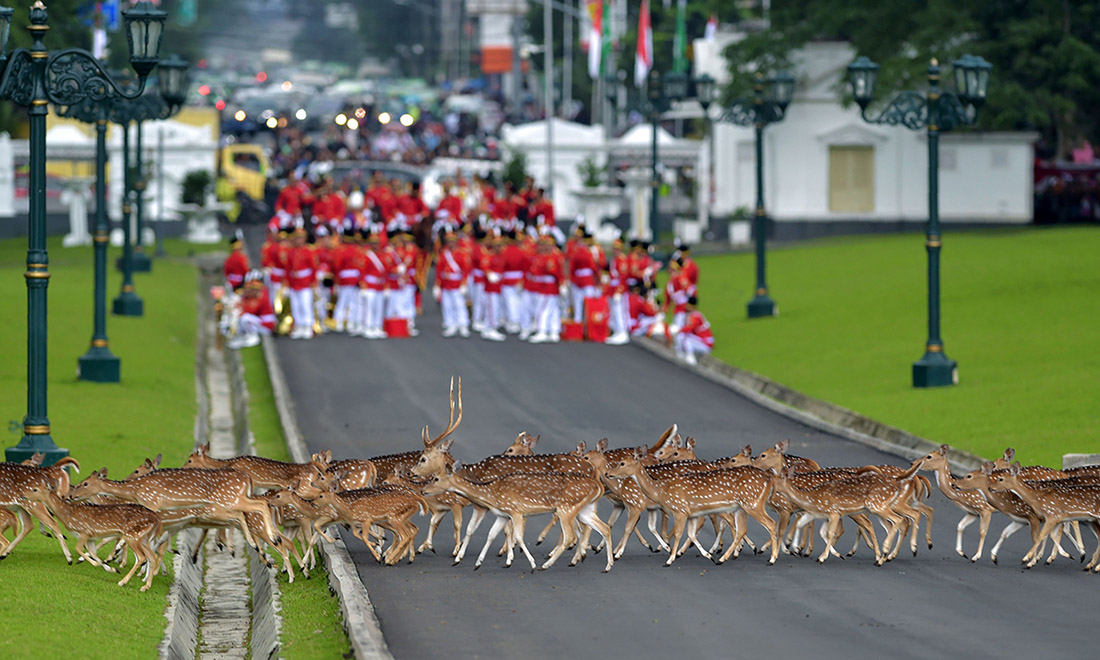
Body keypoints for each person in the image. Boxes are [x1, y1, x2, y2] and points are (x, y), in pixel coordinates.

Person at [224, 270, 276, 349]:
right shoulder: (250, 295)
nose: (248, 289)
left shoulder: (262, 296)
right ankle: (240, 338)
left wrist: (240, 310)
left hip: (266, 325)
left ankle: (253, 337)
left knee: (245, 318)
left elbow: (250, 310)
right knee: (237, 319)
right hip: (256, 321)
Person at [528, 231, 564, 344]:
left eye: (546, 244)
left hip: (550, 287)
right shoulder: (543, 256)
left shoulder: (555, 256)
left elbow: (559, 272)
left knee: (543, 309)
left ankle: (542, 330)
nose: (544, 246)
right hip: (544, 286)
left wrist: (562, 283)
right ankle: (553, 331)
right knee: (551, 309)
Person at [434, 228, 470, 337]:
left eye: (452, 240)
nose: (451, 243)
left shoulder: (462, 254)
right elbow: (439, 270)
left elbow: (466, 270)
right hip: (446, 284)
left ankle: (463, 324)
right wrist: (437, 285)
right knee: (447, 306)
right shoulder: (443, 254)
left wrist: (464, 284)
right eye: (449, 240)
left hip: (457, 283)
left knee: (459, 305)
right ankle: (450, 324)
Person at [286, 224, 318, 339]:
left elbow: (313, 268)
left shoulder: (309, 251)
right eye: (297, 237)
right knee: (296, 306)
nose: (298, 240)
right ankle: (299, 326)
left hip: (305, 283)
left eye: (301, 237)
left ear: (304, 238)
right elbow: (288, 268)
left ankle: (307, 326)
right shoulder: (291, 252)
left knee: (305, 305)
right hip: (294, 283)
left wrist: (313, 282)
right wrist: (287, 283)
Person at [359, 228, 391, 339]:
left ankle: (377, 327)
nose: (375, 245)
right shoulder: (367, 256)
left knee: (379, 308)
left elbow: (386, 272)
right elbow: (362, 272)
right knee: (369, 308)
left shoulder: (383, 255)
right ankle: (368, 327)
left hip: (380, 286)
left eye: (376, 243)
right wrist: (364, 287)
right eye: (373, 243)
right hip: (370, 286)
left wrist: (387, 286)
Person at [332, 226, 365, 334]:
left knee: (342, 301)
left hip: (344, 280)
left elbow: (337, 267)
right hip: (354, 279)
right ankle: (350, 322)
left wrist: (336, 281)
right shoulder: (358, 250)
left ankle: (339, 322)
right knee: (352, 302)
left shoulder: (339, 250)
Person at [669, 295, 714, 365]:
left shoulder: (696, 316)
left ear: (693, 306)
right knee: (682, 337)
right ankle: (681, 354)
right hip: (701, 340)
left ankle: (691, 359)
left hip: (706, 343)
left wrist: (678, 330)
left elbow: (689, 328)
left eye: (688, 305)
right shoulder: (691, 314)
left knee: (686, 339)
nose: (686, 307)